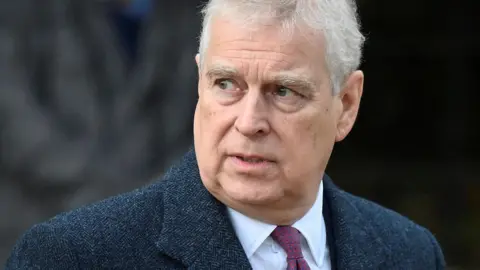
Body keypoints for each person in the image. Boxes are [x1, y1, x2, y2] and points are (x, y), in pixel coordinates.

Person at [5, 0, 446, 269]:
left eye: (284, 91)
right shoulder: (73, 257)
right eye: (226, 84)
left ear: (346, 105)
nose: (248, 120)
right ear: (200, 81)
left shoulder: (410, 253)